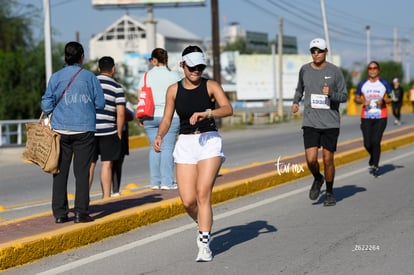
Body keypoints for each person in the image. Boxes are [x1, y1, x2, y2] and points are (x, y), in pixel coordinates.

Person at [154, 45, 233, 262]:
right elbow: (168, 118)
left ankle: (204, 243)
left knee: (202, 192)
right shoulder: (173, 90)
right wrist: (160, 135)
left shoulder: (211, 86)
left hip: (209, 141)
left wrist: (207, 112)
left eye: (200, 66)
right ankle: (203, 222)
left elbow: (227, 108)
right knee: (188, 201)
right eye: (192, 67)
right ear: (182, 65)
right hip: (186, 143)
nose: (196, 70)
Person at [41, 41, 105, 223]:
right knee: (82, 172)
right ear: (82, 57)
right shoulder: (90, 77)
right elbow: (100, 103)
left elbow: (46, 104)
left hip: (60, 130)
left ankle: (60, 214)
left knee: (60, 172)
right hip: (85, 129)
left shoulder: (56, 77)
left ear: (65, 57)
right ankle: (80, 212)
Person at [291, 38, 348, 207]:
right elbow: (299, 89)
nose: (316, 54)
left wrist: (331, 93)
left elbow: (344, 96)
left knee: (328, 159)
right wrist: (295, 102)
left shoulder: (335, 71)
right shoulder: (304, 70)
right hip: (310, 121)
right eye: (313, 51)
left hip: (330, 123)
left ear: (326, 52)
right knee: (310, 160)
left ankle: (329, 193)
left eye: (319, 51)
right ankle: (318, 178)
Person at [138, 48, 181, 190]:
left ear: (154, 60)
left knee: (155, 148)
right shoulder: (175, 76)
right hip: (170, 116)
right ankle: (167, 182)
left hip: (149, 116)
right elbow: (180, 96)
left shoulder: (146, 76)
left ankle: (155, 182)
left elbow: (140, 96)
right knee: (167, 148)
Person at [89, 56, 126, 199]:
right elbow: (121, 113)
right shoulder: (117, 87)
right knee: (107, 164)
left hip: (91, 129)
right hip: (109, 131)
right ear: (113, 69)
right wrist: (119, 133)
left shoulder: (91, 84)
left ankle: (84, 198)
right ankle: (106, 197)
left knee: (90, 164)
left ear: (98, 69)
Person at [354, 61, 393, 177]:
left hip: (381, 116)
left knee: (376, 141)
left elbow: (393, 98)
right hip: (366, 116)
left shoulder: (384, 83)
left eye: (375, 68)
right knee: (367, 143)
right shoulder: (363, 83)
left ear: (378, 70)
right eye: (370, 68)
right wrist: (362, 101)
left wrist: (384, 101)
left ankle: (375, 165)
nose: (372, 70)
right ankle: (373, 157)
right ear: (368, 70)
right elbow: (356, 98)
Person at [112, 101, 134, 196]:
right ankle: (107, 191)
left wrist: (121, 108)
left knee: (118, 163)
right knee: (108, 163)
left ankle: (116, 190)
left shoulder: (124, 101)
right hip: (108, 133)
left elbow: (131, 116)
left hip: (122, 135)